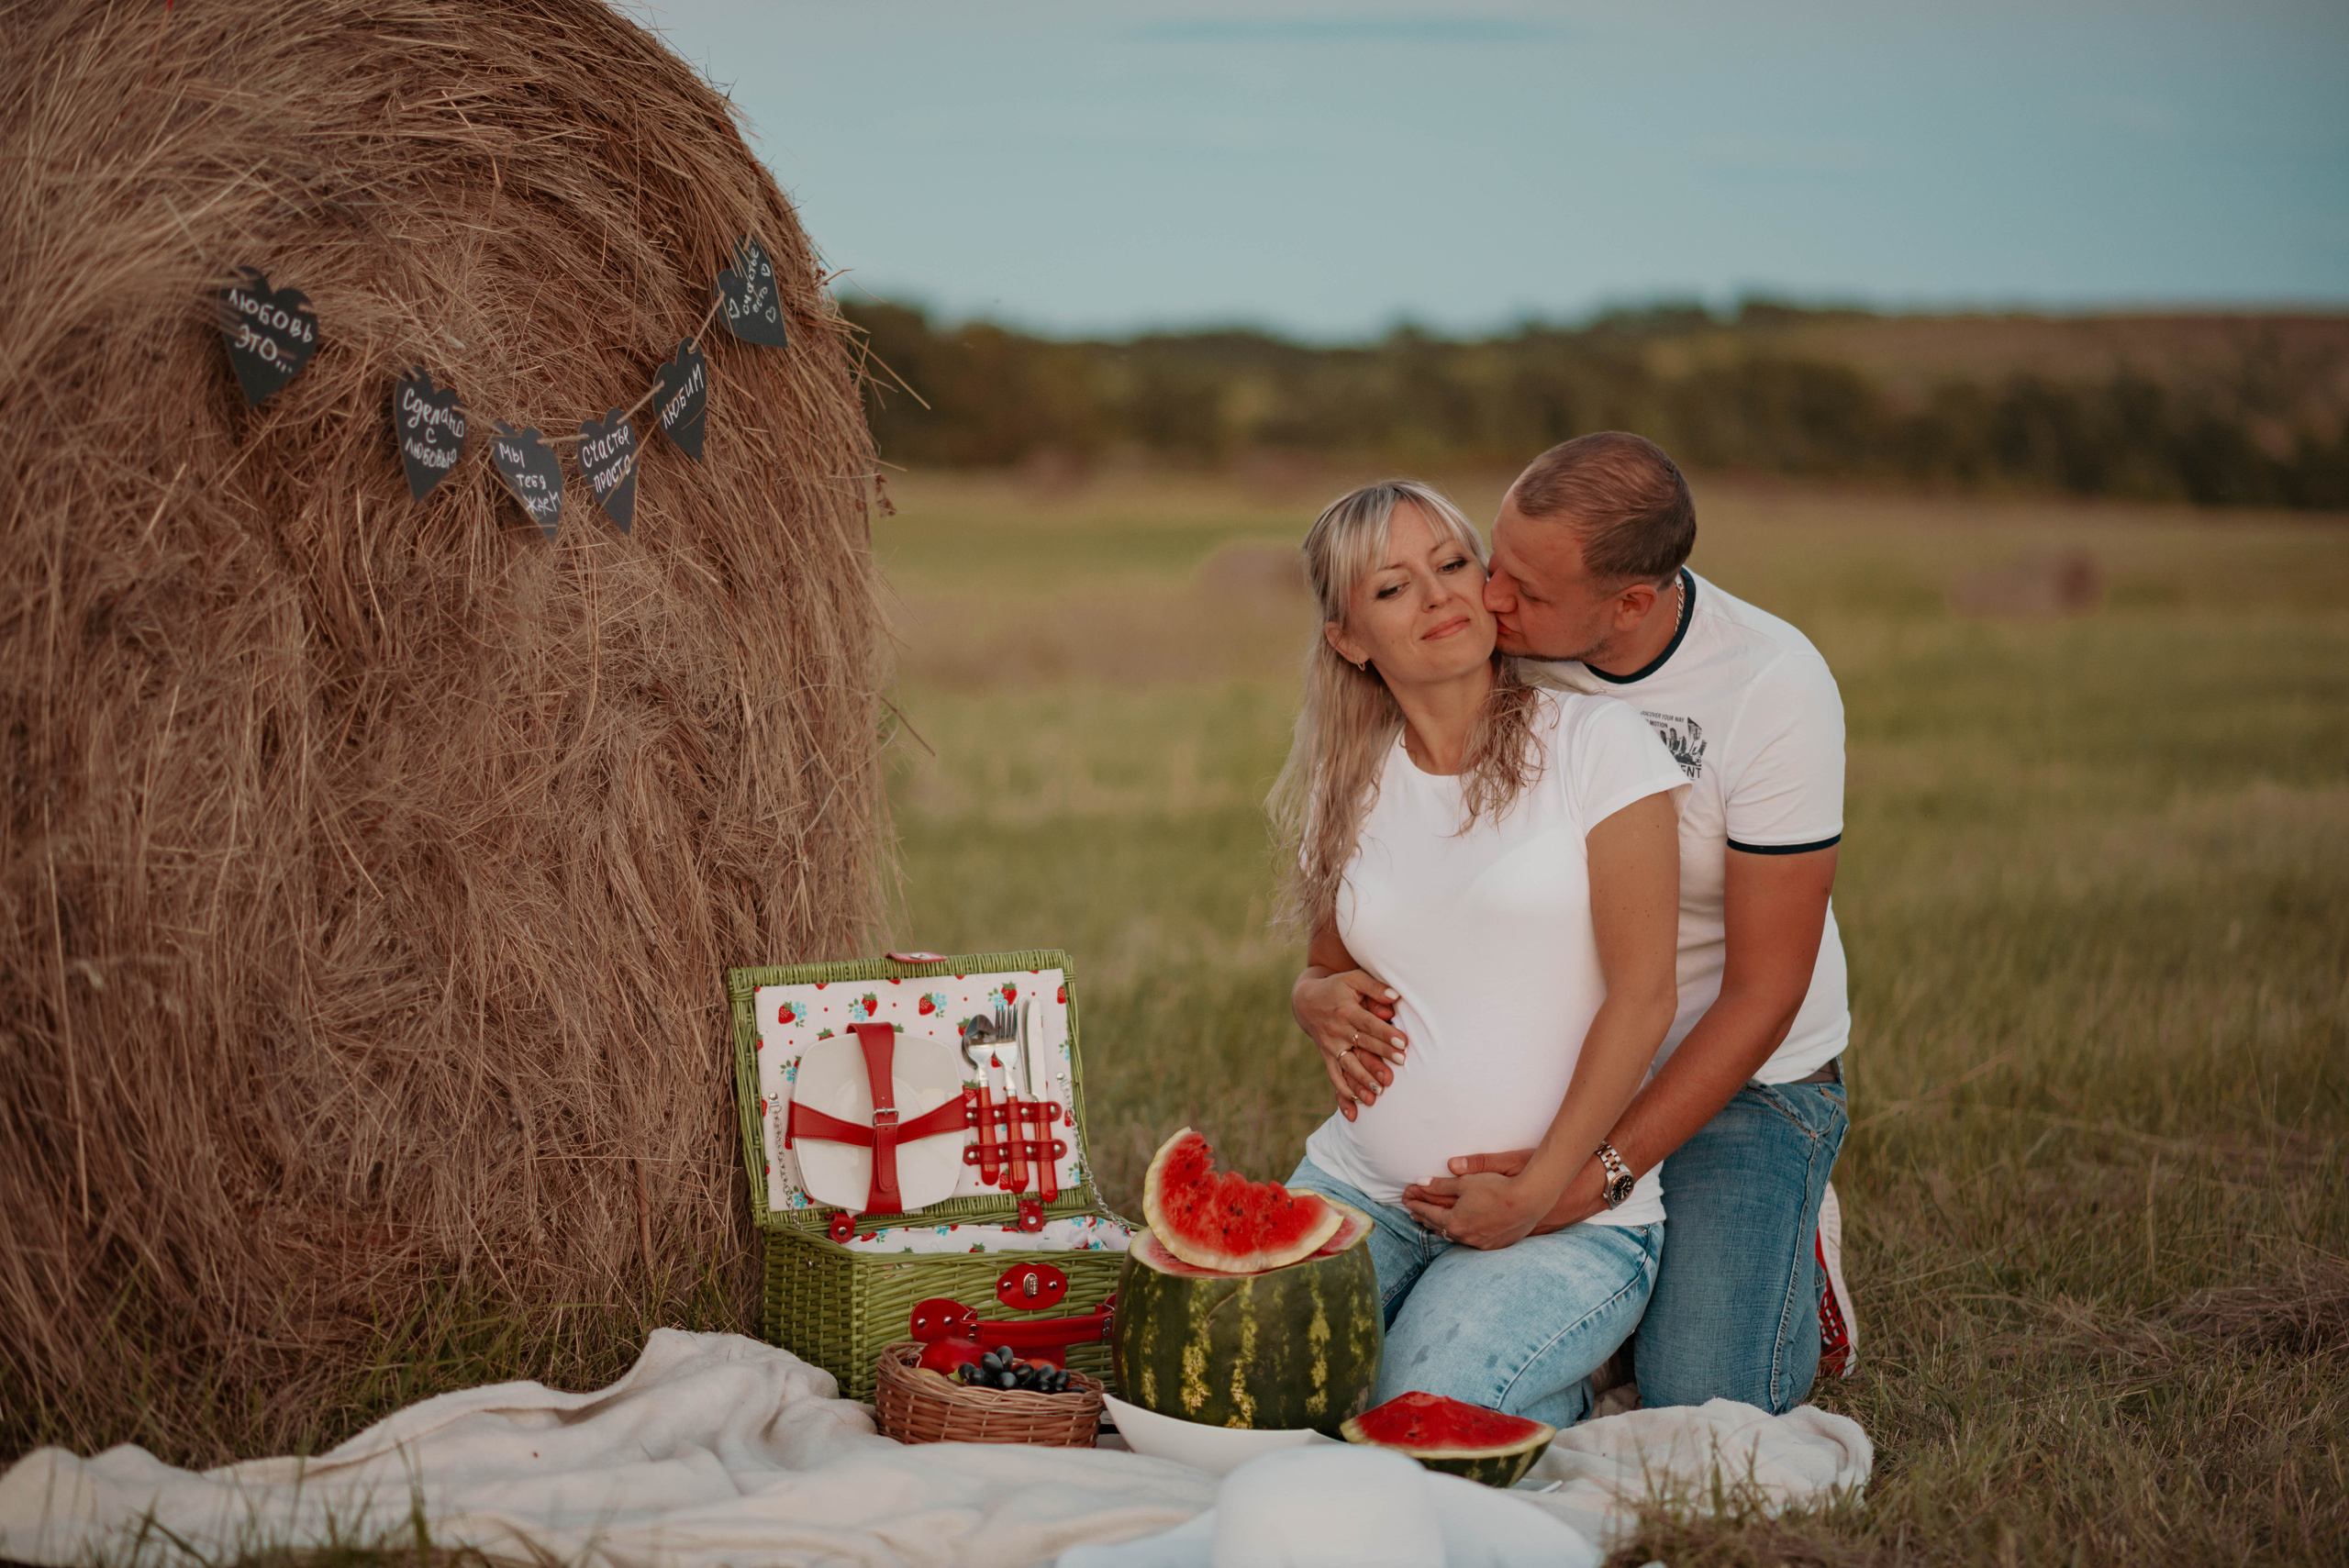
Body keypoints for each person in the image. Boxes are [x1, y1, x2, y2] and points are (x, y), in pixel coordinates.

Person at [1302, 433, 1854, 1414]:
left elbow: (1760, 991)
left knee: (1701, 1391)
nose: (1486, 601)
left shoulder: (1767, 688)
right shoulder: (1479, 651)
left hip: (1740, 1062)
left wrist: (1581, 1180)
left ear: (1627, 605)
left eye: (1518, 589)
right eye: (1493, 562)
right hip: (1524, 1084)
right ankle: (1565, 1332)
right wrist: (1315, 991)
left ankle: (1773, 1251)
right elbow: (1357, 922)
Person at [1269, 478, 1690, 1429]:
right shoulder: (1349, 781)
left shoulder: (1597, 744)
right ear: (1348, 637)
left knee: (1415, 1418)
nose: (1439, 595)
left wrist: (1537, 1196)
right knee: (1234, 1388)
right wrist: (1311, 996)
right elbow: (1332, 962)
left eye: (1452, 563)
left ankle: (1559, 1359)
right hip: (1357, 1188)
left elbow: (1644, 996)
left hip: (1563, 1219)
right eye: (1392, 587)